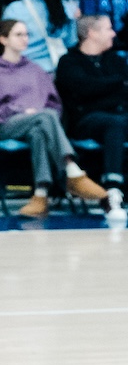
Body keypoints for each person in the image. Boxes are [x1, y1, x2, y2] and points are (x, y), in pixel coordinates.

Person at [0, 18, 111, 218]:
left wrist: (39, 114)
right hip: (4, 125)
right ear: (3, 39)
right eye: (19, 34)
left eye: (26, 34)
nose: (25, 39)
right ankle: (71, 170)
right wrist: (20, 111)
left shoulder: (35, 69)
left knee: (39, 131)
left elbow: (54, 104)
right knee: (44, 118)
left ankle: (41, 195)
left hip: (40, 122)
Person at [55, 13, 128, 221]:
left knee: (118, 122)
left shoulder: (115, 60)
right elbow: (83, 89)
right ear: (92, 33)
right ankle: (112, 190)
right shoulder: (69, 62)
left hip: (118, 116)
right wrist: (116, 86)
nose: (114, 33)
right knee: (114, 123)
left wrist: (106, 90)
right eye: (108, 29)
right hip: (85, 121)